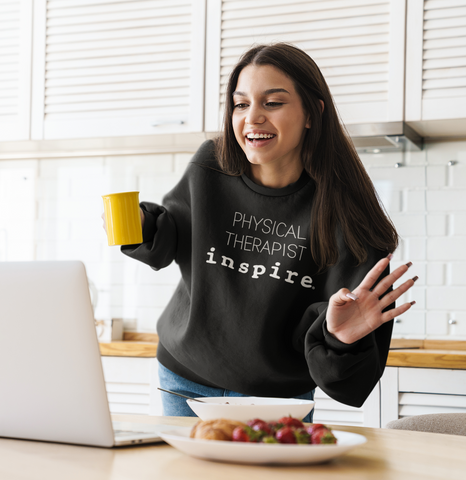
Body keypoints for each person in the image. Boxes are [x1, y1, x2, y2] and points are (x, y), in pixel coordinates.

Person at [110, 43, 417, 420]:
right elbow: (169, 237)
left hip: (276, 401)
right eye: (241, 104)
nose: (252, 117)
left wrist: (341, 339)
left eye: (272, 103)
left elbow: (348, 373)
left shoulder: (349, 218)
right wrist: (136, 224)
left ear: (311, 113)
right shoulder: (212, 165)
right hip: (182, 378)